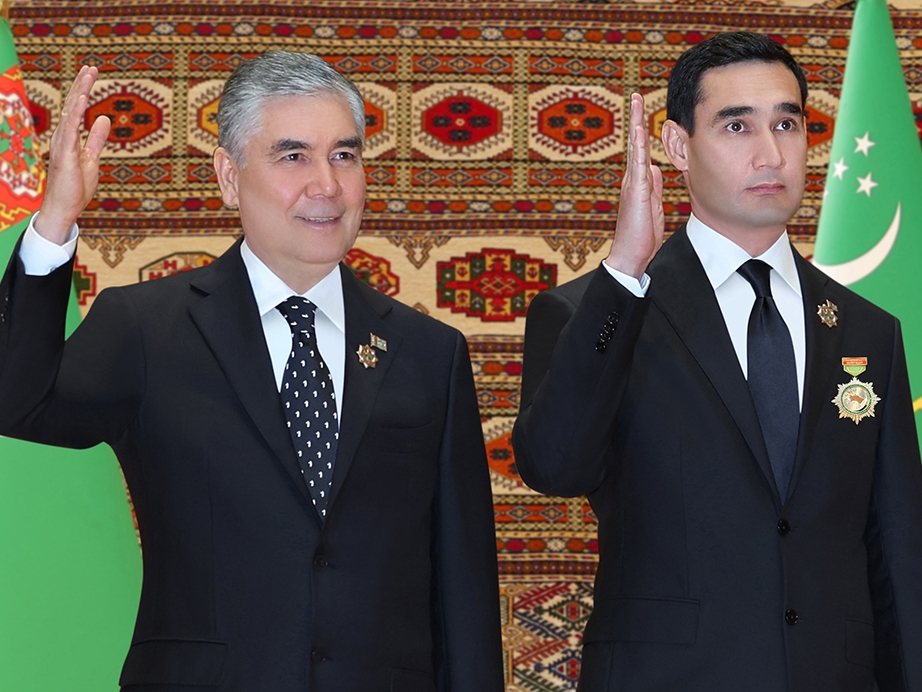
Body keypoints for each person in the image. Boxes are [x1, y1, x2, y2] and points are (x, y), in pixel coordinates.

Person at [0, 51, 503, 692]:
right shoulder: (146, 328)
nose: (326, 184)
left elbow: (463, 588)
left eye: (344, 155)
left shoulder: (430, 352)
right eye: (293, 156)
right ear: (229, 177)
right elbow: (16, 402)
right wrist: (54, 224)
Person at [513, 31, 922, 692]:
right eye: (737, 126)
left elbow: (897, 552)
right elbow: (553, 466)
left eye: (787, 124)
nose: (771, 154)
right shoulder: (599, 312)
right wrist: (625, 272)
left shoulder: (869, 330)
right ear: (678, 147)